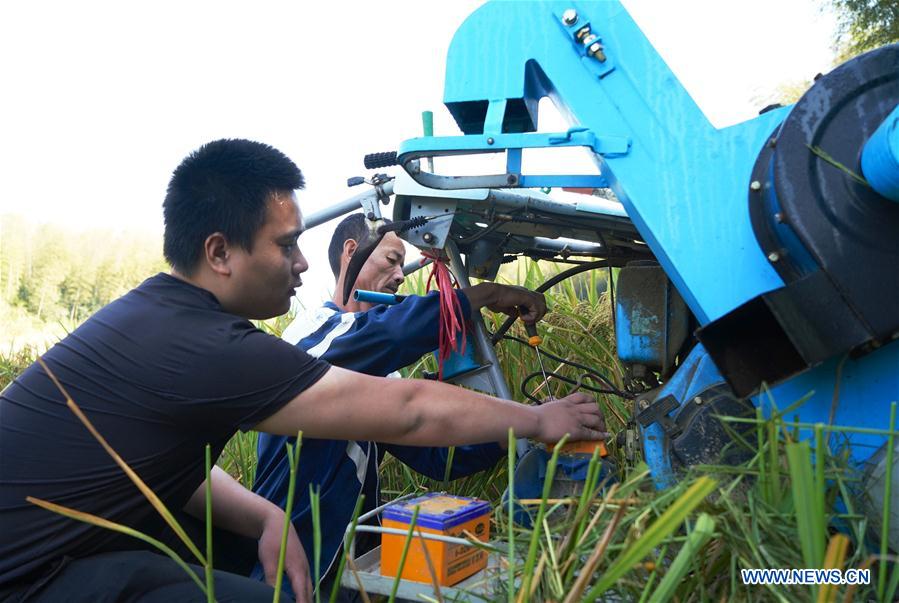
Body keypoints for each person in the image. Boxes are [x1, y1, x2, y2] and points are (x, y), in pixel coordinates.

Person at [0, 139, 606, 603]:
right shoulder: (206, 344)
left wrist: (267, 515)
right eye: (286, 245)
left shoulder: (158, 321)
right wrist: (536, 418)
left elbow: (170, 476)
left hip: (61, 556)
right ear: (219, 253)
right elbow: (409, 409)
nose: (299, 262)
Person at [253, 214, 551, 593]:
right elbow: (390, 333)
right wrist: (488, 295)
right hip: (289, 565)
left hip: (349, 566)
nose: (399, 276)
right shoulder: (311, 337)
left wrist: (514, 429)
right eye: (392, 260)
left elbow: (438, 458)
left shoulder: (376, 373)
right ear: (351, 252)